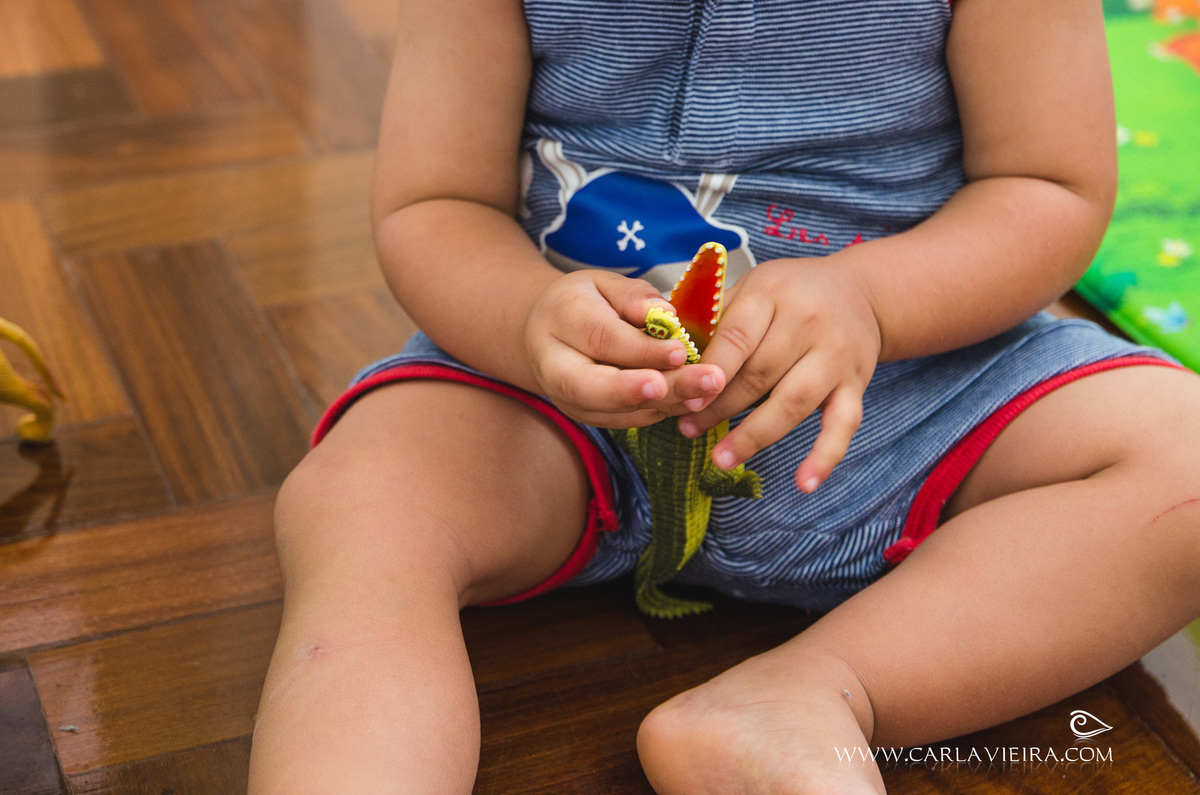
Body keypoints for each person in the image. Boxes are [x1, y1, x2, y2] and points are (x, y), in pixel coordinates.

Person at [246, 0, 1200, 792]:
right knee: (361, 502)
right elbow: (433, 203)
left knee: (1184, 463)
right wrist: (530, 320)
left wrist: (873, 299)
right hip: (559, 405)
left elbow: (1050, 187)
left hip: (911, 393)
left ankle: (811, 695)